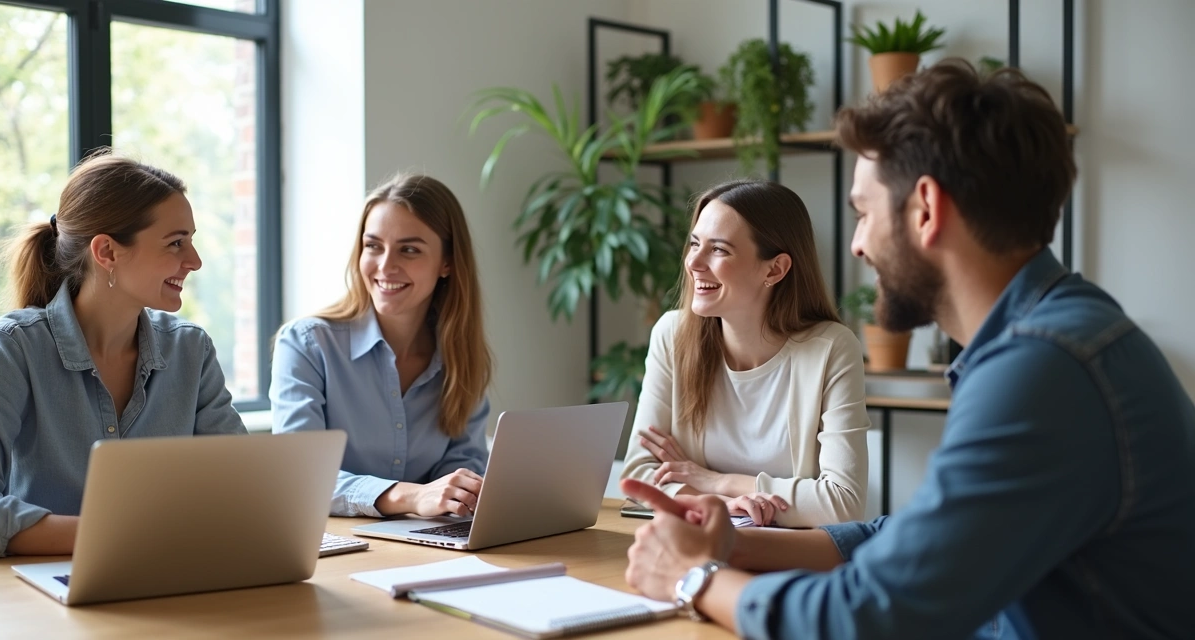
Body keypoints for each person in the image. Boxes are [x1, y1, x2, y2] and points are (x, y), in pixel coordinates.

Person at [621, 59, 1195, 639]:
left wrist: (694, 578)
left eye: (864, 213)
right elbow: (913, 537)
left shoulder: (1041, 370)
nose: (857, 244)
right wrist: (738, 545)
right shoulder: (1057, 334)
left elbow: (871, 615)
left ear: (925, 210)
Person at [0, 151, 247, 558]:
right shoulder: (11, 349)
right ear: (106, 252)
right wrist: (122, 535)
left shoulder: (190, 350)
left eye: (191, 241)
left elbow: (243, 486)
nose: (194, 261)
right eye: (176, 243)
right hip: (41, 585)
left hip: (168, 573)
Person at [620, 180, 869, 527]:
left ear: (775, 269)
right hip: (698, 539)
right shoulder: (672, 335)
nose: (694, 262)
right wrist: (723, 503)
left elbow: (843, 502)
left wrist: (714, 480)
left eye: (719, 250)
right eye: (695, 244)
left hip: (793, 553)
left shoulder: (831, 348)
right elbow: (638, 475)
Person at [271, 173, 492, 519]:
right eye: (373, 246)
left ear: (447, 262)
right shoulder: (306, 344)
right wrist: (410, 496)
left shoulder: (460, 356)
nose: (386, 266)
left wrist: (463, 494)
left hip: (426, 539)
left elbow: (463, 467)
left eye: (409, 250)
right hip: (334, 543)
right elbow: (299, 477)